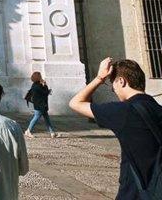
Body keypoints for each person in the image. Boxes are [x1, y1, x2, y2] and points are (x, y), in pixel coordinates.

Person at [69, 57, 162, 199]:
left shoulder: (123, 111)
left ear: (121, 81)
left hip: (134, 192)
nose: (114, 90)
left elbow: (75, 103)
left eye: (113, 87)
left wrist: (100, 78)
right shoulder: (158, 109)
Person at [25, 71, 58, 138]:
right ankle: (28, 131)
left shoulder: (35, 84)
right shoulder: (38, 86)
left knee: (47, 118)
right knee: (36, 117)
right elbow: (45, 93)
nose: (41, 77)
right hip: (40, 105)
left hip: (40, 105)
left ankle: (52, 132)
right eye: (40, 76)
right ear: (38, 77)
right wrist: (45, 85)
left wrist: (44, 85)